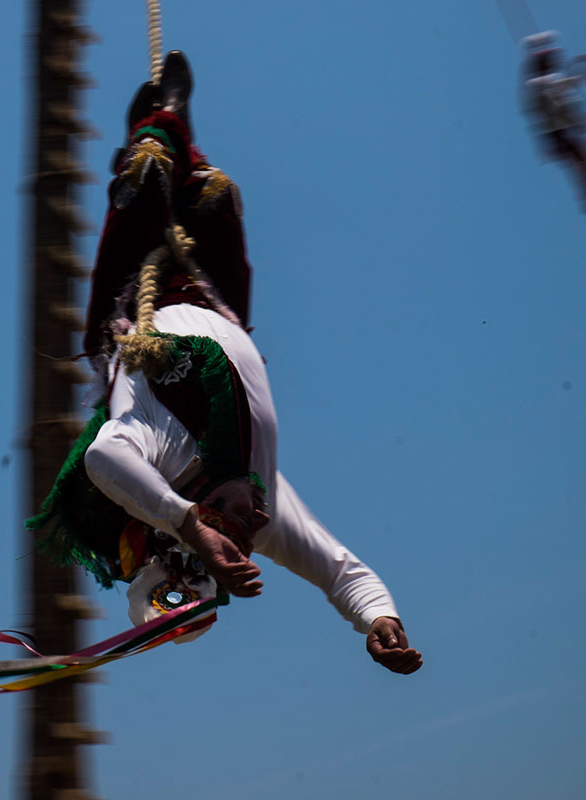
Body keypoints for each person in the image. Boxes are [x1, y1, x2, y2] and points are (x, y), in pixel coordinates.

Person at [29, 51, 422, 674]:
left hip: (132, 309)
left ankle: (156, 129)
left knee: (148, 170)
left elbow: (105, 459)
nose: (254, 521)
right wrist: (381, 620)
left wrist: (186, 522)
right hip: (216, 301)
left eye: (229, 536)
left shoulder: (150, 456)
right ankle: (172, 128)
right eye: (244, 542)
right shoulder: (262, 516)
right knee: (215, 196)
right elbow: (340, 569)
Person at [521, 31, 586, 216]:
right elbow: (568, 86)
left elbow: (576, 80)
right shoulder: (540, 83)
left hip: (559, 132)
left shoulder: (546, 82)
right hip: (558, 134)